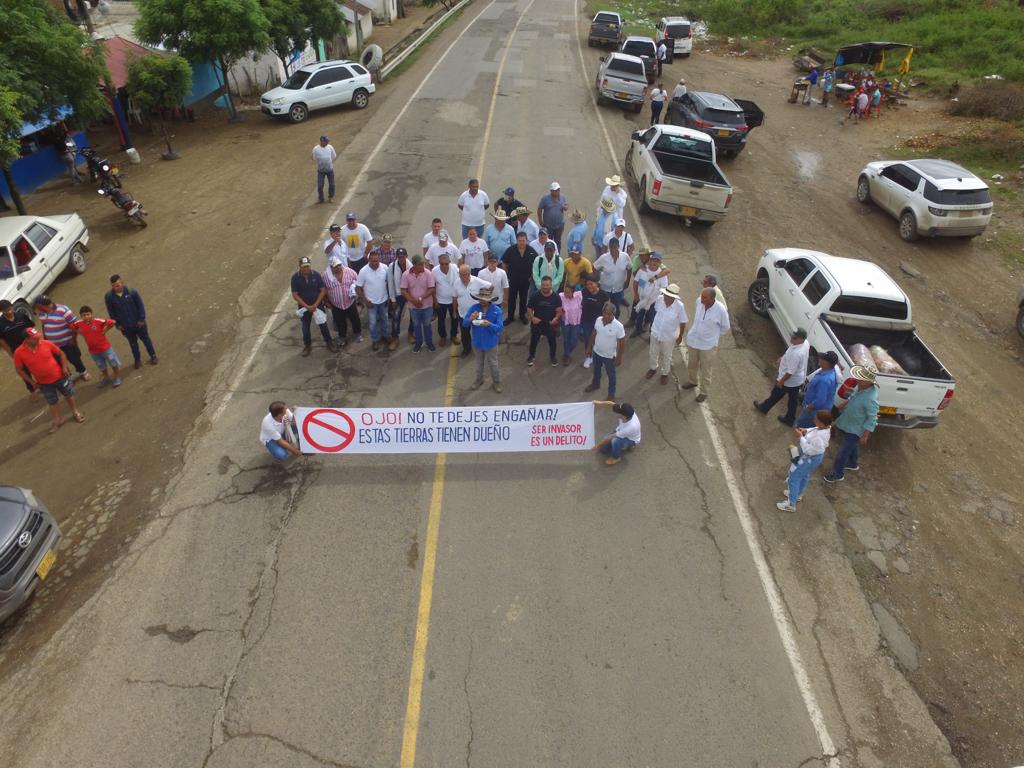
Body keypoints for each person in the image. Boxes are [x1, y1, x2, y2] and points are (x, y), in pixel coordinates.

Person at [14, 328, 84, 432]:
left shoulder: (46, 343)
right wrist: (32, 382)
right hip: (44, 383)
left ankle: (75, 412)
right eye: (35, 338)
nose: (38, 339)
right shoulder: (19, 353)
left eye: (38, 337)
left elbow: (61, 354)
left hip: (60, 377)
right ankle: (58, 419)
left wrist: (64, 368)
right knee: (52, 401)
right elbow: (19, 370)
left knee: (69, 395)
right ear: (26, 339)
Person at [824, 365, 880, 483]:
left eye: (862, 378)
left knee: (842, 452)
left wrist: (865, 435)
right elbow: (853, 398)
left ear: (869, 382)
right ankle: (852, 463)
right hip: (850, 422)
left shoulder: (871, 399)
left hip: (856, 429)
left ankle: (837, 474)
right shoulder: (861, 388)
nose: (858, 379)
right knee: (852, 446)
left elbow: (872, 418)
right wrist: (843, 405)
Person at [777, 410, 833, 511]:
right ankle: (797, 494)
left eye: (816, 419)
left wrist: (801, 437)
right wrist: (805, 430)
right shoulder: (824, 428)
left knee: (794, 477)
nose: (814, 420)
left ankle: (791, 504)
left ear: (822, 423)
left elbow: (809, 450)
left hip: (809, 458)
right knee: (804, 475)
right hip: (810, 457)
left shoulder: (819, 438)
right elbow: (814, 429)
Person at [754, 328, 810, 427]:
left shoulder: (796, 354)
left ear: (801, 339)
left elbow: (790, 372)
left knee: (775, 394)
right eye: (792, 335)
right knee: (793, 400)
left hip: (788, 380)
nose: (791, 338)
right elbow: (790, 350)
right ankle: (790, 419)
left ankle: (764, 408)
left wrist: (781, 381)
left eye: (794, 337)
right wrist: (783, 358)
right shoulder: (805, 344)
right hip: (797, 380)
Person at [683, 287, 730, 403]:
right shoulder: (699, 301)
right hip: (694, 340)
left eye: (705, 297)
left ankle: (704, 392)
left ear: (712, 298)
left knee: (706, 370)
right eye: (702, 296)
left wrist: (712, 336)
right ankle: (692, 381)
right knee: (692, 364)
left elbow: (725, 327)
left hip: (708, 346)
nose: (701, 299)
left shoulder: (720, 310)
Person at [105, 275, 158, 369]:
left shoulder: (132, 292)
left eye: (117, 285)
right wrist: (117, 324)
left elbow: (140, 306)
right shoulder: (109, 297)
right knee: (133, 343)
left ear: (122, 283)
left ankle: (153, 356)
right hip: (126, 327)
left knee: (146, 339)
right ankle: (137, 360)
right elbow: (111, 312)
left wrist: (141, 319)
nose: (116, 288)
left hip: (139, 323)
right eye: (113, 286)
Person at [34, 295, 89, 381]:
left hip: (67, 342)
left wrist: (73, 339)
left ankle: (83, 372)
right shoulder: (41, 313)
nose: (36, 308)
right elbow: (44, 325)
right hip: (54, 345)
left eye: (37, 306)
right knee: (60, 362)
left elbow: (74, 325)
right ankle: (69, 376)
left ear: (41, 305)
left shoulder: (63, 310)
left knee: (74, 359)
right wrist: (46, 339)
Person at [291, 256, 337, 356]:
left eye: (307, 266)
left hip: (317, 305)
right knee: (305, 328)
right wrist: (307, 306)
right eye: (303, 267)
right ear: (299, 267)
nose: (306, 269)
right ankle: (307, 346)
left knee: (323, 325)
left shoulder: (316, 275)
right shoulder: (295, 278)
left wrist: (316, 304)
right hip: (304, 307)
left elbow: (322, 290)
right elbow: (295, 295)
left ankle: (329, 343)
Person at [464, 285, 504, 393]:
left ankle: (496, 382)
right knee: (478, 363)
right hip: (477, 342)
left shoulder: (497, 310)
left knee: (493, 364)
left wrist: (489, 324)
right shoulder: (474, 308)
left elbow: (500, 327)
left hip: (491, 343)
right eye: (480, 299)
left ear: (489, 300)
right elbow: (464, 324)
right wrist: (470, 319)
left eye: (484, 299)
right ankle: (479, 380)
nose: (482, 301)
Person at [646, 283, 688, 385]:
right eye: (665, 295)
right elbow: (656, 312)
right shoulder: (659, 299)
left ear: (674, 298)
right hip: (656, 331)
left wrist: (680, 336)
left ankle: (665, 373)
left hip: (668, 336)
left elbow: (683, 322)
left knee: (667, 355)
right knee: (653, 352)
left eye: (668, 297)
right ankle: (653, 368)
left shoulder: (679, 306)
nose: (665, 298)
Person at [72, 306, 122, 388]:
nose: (86, 317)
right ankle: (106, 377)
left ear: (92, 314)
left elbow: (112, 322)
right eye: (83, 315)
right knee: (101, 365)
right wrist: (80, 333)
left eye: (88, 314)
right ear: (81, 316)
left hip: (105, 348)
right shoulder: (79, 323)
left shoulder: (98, 321)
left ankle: (117, 376)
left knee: (113, 362)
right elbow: (72, 326)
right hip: (93, 351)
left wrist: (104, 331)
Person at [584, 302, 625, 399]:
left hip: (609, 356)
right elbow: (594, 333)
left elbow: (622, 343)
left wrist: (619, 358)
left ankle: (611, 394)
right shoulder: (598, 320)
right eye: (605, 313)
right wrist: (589, 347)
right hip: (596, 352)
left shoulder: (618, 326)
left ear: (613, 314)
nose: (606, 315)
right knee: (596, 370)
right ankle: (595, 384)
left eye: (609, 314)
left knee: (611, 375)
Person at [0, 299, 39, 399]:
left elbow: (31, 329)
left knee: (38, 365)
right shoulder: (1, 324)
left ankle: (45, 383)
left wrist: (37, 343)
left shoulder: (21, 316)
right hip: (17, 351)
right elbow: (2, 341)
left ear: (12, 306)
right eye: (5, 310)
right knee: (24, 371)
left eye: (9, 309)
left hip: (31, 347)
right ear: (1, 311)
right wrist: (10, 353)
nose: (9, 312)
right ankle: (33, 390)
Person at [355, 250, 393, 352]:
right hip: (371, 303)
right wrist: (366, 301)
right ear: (368, 260)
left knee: (385, 319)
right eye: (372, 261)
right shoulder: (363, 271)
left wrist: (389, 297)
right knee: (372, 323)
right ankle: (375, 340)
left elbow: (389, 284)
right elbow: (357, 288)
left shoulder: (385, 268)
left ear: (379, 259)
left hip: (384, 301)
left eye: (377, 261)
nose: (375, 263)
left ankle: (385, 335)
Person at [401, 254, 436, 353]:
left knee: (427, 325)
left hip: (427, 306)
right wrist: (413, 301)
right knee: (416, 326)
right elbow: (403, 290)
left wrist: (420, 298)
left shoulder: (428, 273)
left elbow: (431, 288)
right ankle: (418, 343)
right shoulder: (406, 275)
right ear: (414, 265)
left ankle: (429, 343)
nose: (423, 266)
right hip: (413, 307)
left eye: (423, 264)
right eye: (420, 264)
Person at [323, 257, 362, 347]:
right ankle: (342, 337)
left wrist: (358, 295)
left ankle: (357, 333)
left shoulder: (349, 272)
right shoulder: (325, 276)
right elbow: (323, 289)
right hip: (336, 305)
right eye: (335, 266)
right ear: (331, 267)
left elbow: (358, 282)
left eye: (339, 265)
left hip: (350, 302)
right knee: (340, 321)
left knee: (355, 318)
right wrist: (326, 301)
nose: (338, 268)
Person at [502, 232, 537, 325]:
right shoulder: (510, 250)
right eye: (520, 241)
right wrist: (505, 275)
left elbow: (537, 264)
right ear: (517, 241)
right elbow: (504, 262)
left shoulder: (531, 251)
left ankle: (522, 316)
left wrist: (533, 276)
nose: (521, 243)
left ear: (526, 240)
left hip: (526, 280)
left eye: (523, 240)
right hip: (513, 280)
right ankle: (510, 317)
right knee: (512, 299)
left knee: (523, 299)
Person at [526, 276, 562, 367]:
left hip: (550, 324)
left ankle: (553, 357)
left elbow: (559, 310)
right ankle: (531, 356)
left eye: (547, 285)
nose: (545, 287)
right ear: (541, 285)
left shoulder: (556, 297)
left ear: (551, 285)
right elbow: (529, 307)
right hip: (537, 323)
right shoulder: (535, 295)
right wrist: (532, 317)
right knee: (534, 341)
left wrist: (556, 318)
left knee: (552, 342)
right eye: (543, 285)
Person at [453, 265, 488, 358]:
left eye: (465, 275)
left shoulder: (477, 281)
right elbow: (454, 298)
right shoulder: (456, 283)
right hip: (463, 314)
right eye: (461, 275)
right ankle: (466, 349)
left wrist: (484, 299)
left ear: (469, 274)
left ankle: (481, 347)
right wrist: (454, 311)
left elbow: (491, 286)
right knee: (464, 334)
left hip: (477, 314)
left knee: (479, 332)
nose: (463, 277)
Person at [797, 350, 838, 428]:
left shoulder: (825, 380)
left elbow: (820, 400)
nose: (819, 359)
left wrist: (808, 407)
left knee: (803, 428)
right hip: (819, 408)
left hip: (813, 411)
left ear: (826, 363)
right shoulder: (829, 372)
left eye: (822, 358)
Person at [630, 251, 667, 337]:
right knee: (639, 315)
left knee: (653, 318)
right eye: (653, 260)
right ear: (650, 261)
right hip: (641, 299)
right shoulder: (642, 270)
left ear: (660, 263)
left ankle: (652, 335)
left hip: (654, 302)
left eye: (657, 261)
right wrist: (636, 295)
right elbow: (635, 283)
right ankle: (637, 329)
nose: (655, 262)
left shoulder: (662, 275)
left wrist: (658, 301)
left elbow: (664, 289)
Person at [592, 400, 640, 465]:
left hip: (630, 438)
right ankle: (617, 448)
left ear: (624, 416)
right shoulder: (627, 413)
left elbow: (611, 437)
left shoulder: (629, 428)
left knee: (615, 442)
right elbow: (611, 404)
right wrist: (599, 403)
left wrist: (598, 446)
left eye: (619, 413)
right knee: (603, 450)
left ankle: (616, 457)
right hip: (620, 429)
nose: (617, 413)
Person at [593, 237, 631, 316]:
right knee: (603, 308)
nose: (613, 250)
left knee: (616, 308)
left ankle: (614, 323)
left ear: (618, 247)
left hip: (618, 289)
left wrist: (627, 281)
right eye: (611, 247)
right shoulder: (604, 258)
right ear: (609, 247)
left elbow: (629, 268)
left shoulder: (625, 257)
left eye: (615, 247)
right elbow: (594, 267)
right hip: (605, 289)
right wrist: (596, 281)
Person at [432, 251, 461, 347]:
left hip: (453, 300)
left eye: (446, 263)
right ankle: (443, 336)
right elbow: (433, 286)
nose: (444, 265)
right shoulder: (435, 271)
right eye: (441, 264)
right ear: (438, 263)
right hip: (441, 300)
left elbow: (459, 283)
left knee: (454, 318)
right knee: (441, 319)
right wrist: (435, 300)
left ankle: (453, 335)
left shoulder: (455, 269)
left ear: (450, 262)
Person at [387, 247, 415, 347]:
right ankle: (395, 337)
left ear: (407, 256)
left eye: (403, 257)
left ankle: (411, 333)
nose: (401, 259)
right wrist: (393, 299)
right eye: (399, 257)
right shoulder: (392, 266)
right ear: (396, 257)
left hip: (410, 293)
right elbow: (390, 283)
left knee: (413, 315)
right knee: (396, 316)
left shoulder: (411, 266)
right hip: (399, 294)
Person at [580, 276, 609, 369]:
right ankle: (589, 357)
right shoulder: (584, 291)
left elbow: (608, 309)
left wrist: (606, 321)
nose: (589, 286)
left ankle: (600, 357)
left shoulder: (604, 295)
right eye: (587, 284)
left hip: (599, 322)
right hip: (586, 320)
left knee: (599, 340)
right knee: (588, 338)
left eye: (591, 284)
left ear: (596, 283)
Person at [536, 182, 569, 249]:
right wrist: (540, 221)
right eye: (555, 190)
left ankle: (557, 254)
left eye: (558, 190)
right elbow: (539, 209)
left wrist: (566, 207)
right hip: (548, 225)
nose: (557, 192)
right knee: (548, 241)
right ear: (551, 191)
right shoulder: (545, 199)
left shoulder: (563, 198)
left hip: (559, 225)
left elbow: (566, 206)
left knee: (558, 241)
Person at [559, 282, 583, 365]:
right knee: (566, 339)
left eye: (568, 292)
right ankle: (567, 355)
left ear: (573, 292)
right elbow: (556, 306)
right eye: (565, 292)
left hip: (576, 322)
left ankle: (567, 352)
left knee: (574, 340)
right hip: (565, 322)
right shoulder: (560, 296)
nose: (566, 294)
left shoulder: (579, 296)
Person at [312, 135, 335, 203]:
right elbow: (313, 158)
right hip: (321, 171)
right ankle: (321, 198)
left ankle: (331, 197)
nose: (327, 142)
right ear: (322, 141)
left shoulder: (330, 147)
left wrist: (327, 161)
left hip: (330, 170)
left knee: (332, 184)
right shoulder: (316, 149)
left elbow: (334, 156)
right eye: (326, 141)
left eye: (328, 141)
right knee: (320, 185)